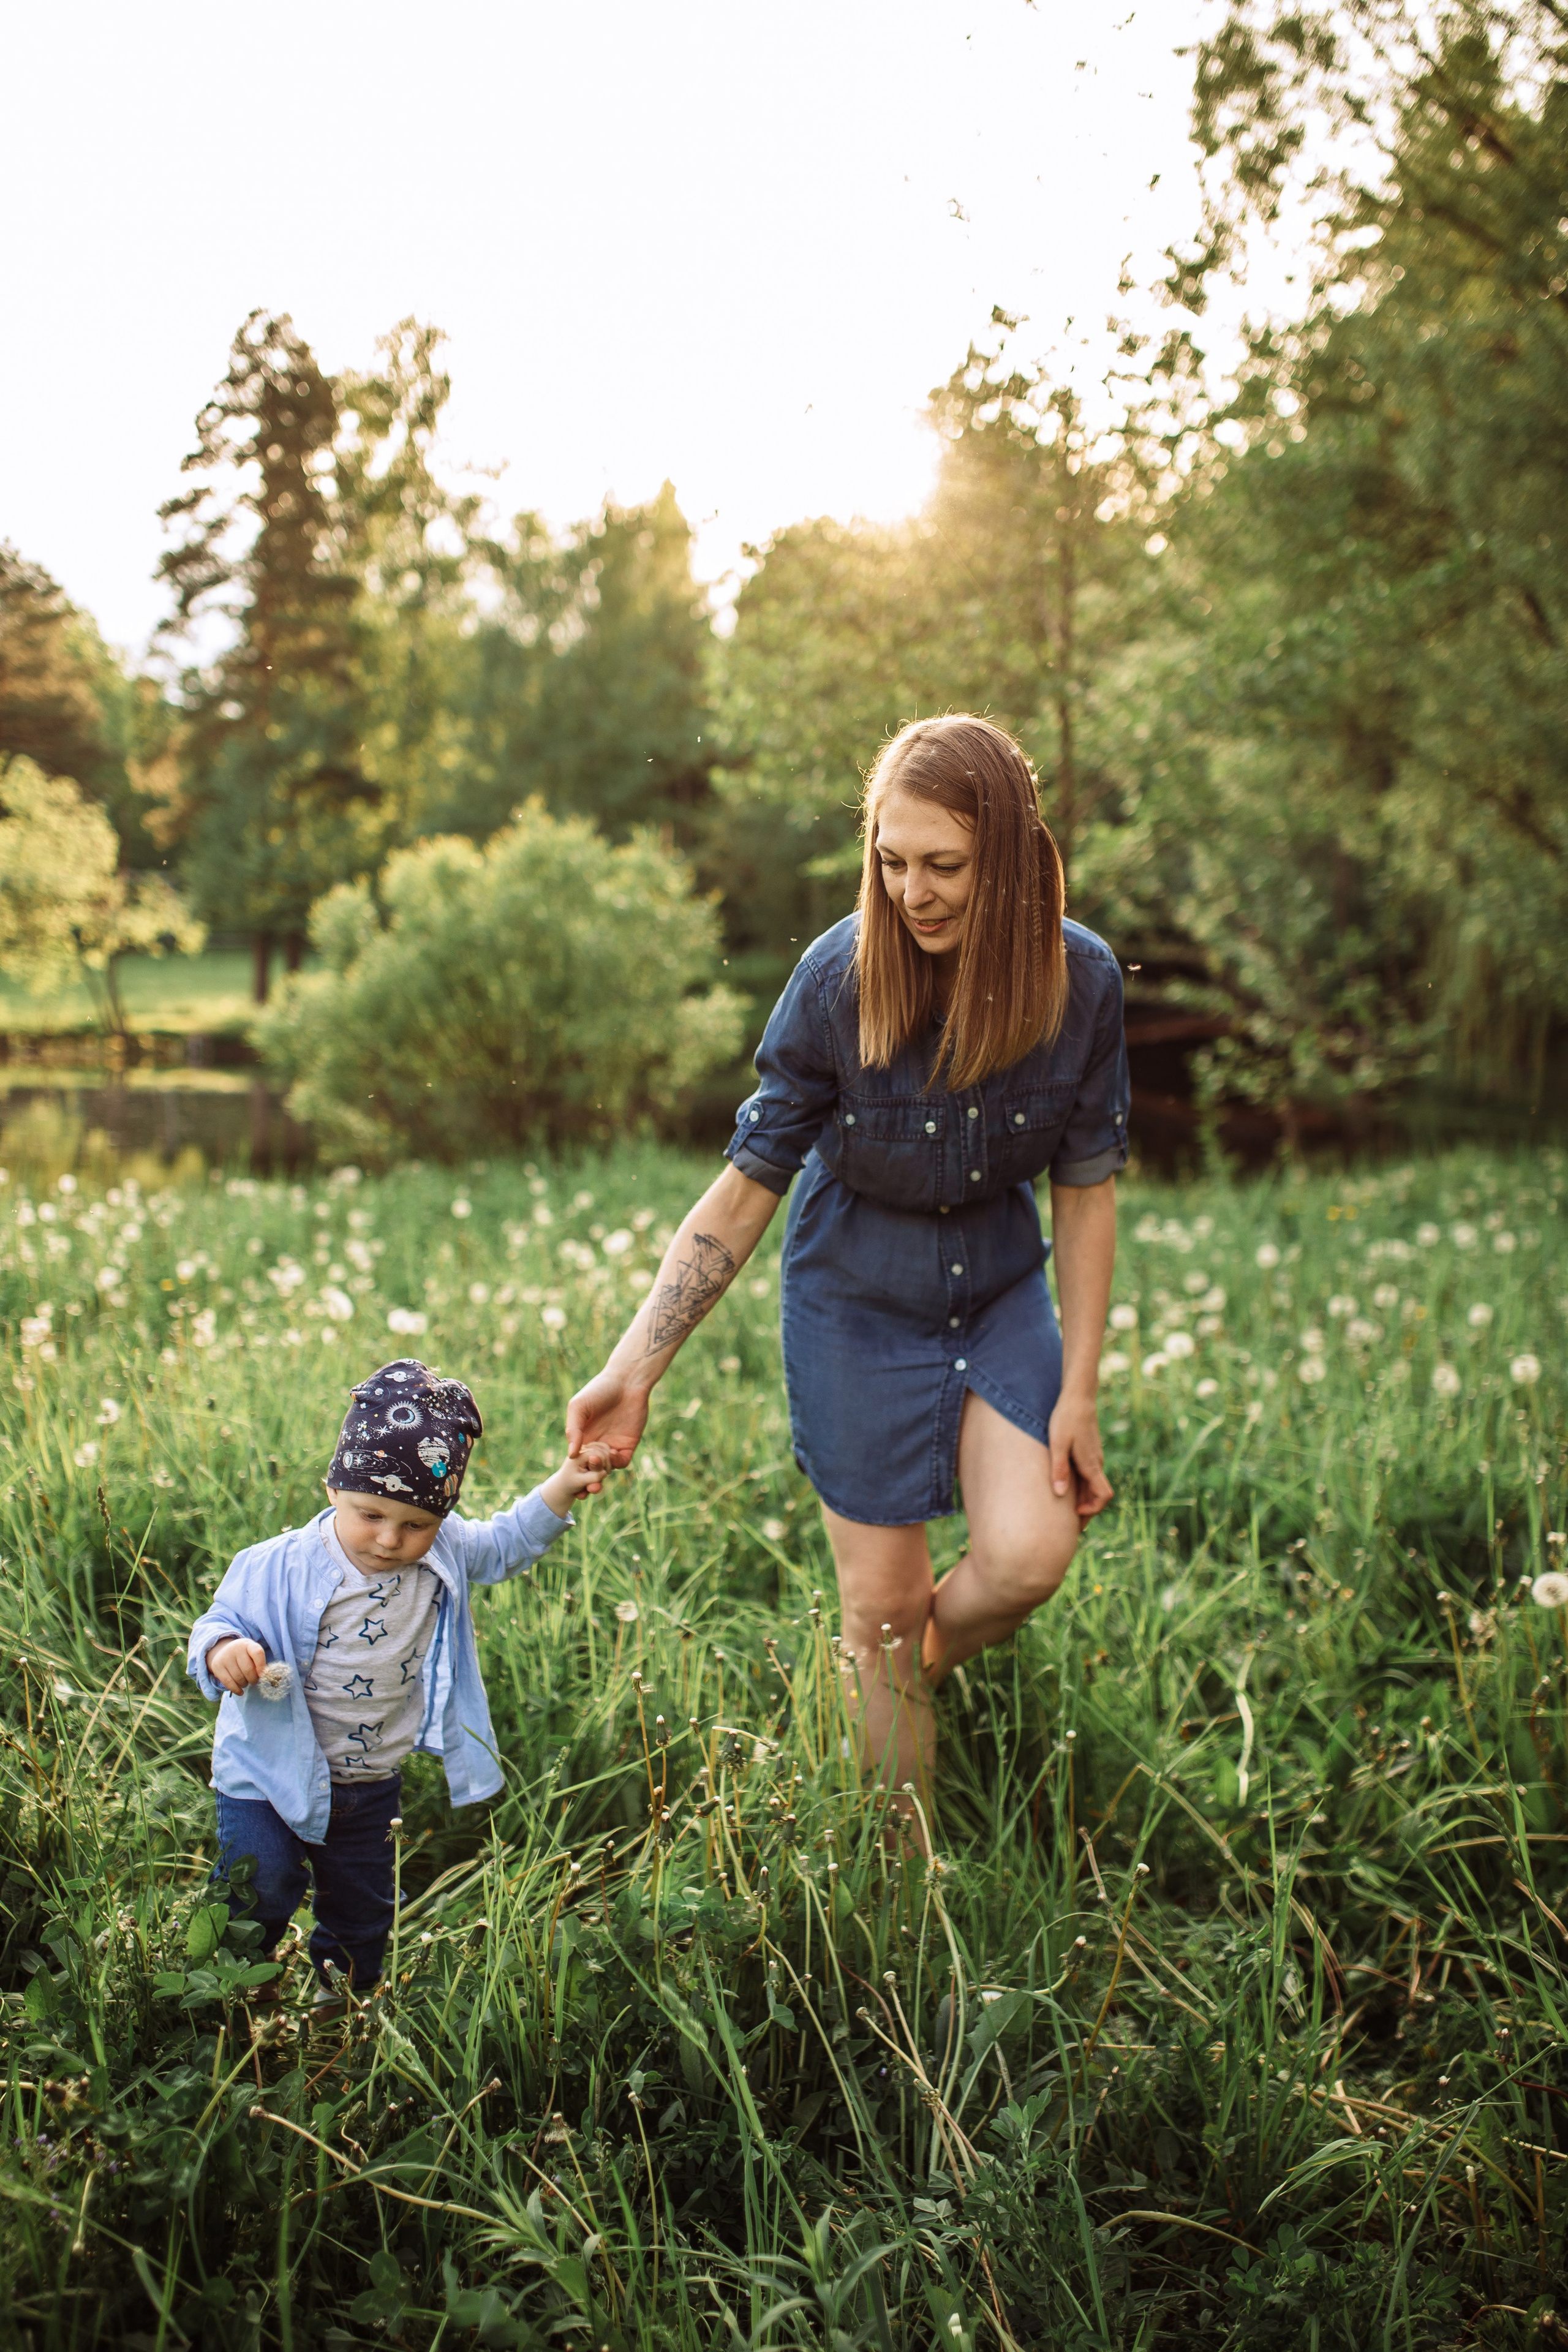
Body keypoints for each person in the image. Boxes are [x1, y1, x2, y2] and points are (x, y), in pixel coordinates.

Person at [568, 714, 1126, 1814]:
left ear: (1009, 857)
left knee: (1027, 1558)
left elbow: (1088, 1188)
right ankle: (899, 1886)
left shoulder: (1083, 981)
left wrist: (1079, 1389)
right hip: (856, 1297)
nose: (913, 891)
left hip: (1001, 1286)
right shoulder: (838, 980)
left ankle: (885, 1685)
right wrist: (636, 1368)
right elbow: (745, 1187)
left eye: (944, 866)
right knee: (880, 1602)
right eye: (891, 860)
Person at [187, 1357, 609, 2016]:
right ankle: (240, 1986)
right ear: (334, 1489)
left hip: (369, 1778)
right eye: (370, 1514)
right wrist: (224, 1650)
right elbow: (218, 1621)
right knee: (259, 1883)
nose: (389, 1539)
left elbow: (504, 1543)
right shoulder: (277, 1564)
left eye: (415, 1524)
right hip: (265, 1771)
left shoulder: (442, 1554)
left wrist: (561, 1488)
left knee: (362, 1909)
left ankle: (340, 2008)